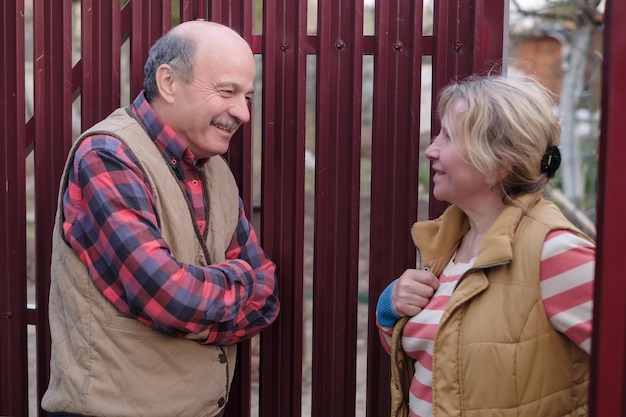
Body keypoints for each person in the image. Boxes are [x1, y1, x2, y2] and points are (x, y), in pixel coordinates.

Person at [42, 20, 279, 417]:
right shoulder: (107, 155)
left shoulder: (216, 169)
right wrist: (231, 292)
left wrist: (202, 315)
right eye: (227, 92)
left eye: (248, 96)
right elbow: (168, 295)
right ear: (168, 82)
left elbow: (267, 296)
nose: (243, 112)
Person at [376, 74, 595, 417]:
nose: (431, 149)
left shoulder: (554, 253)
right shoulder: (448, 243)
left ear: (498, 163)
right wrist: (390, 310)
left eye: (447, 137)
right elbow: (441, 363)